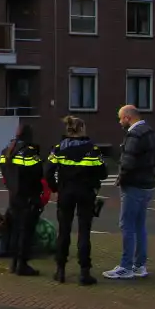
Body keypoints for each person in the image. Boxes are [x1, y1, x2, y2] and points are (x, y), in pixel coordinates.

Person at [46, 116, 107, 286]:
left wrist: (56, 188)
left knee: (63, 231)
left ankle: (60, 270)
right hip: (86, 193)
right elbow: (103, 173)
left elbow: (48, 172)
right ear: (82, 129)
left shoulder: (58, 148)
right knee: (84, 232)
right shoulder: (92, 149)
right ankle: (84, 273)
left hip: (65, 193)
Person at [104, 105, 155, 280]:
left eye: (121, 118)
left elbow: (127, 161)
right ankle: (139, 265)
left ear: (128, 117)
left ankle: (126, 266)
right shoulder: (149, 131)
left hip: (133, 185)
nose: (120, 122)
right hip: (147, 184)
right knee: (140, 226)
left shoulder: (134, 134)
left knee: (127, 225)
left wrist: (121, 178)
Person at [0, 123, 44, 276]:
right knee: (26, 231)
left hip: (13, 196)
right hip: (28, 197)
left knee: (15, 230)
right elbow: (38, 173)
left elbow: (4, 171)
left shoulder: (8, 150)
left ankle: (13, 263)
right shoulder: (29, 152)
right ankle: (22, 265)